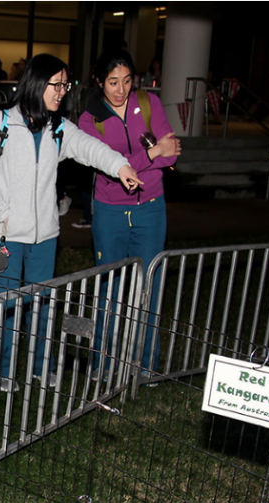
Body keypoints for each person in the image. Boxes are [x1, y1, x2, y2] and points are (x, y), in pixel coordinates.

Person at [0, 54, 142, 393]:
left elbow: (90, 147)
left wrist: (120, 166)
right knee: (5, 308)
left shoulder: (59, 128)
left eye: (66, 85)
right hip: (4, 235)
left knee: (41, 306)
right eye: (57, 84)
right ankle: (2, 372)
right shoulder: (1, 122)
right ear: (38, 83)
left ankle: (41, 366)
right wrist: (0, 213)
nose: (62, 91)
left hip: (44, 237)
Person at [78, 50, 180, 373]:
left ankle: (145, 365)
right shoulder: (89, 120)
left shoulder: (150, 104)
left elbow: (172, 155)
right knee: (108, 288)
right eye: (112, 82)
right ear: (99, 82)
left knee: (148, 285)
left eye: (126, 81)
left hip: (151, 209)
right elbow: (108, 165)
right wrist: (151, 153)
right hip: (110, 211)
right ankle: (103, 365)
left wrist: (147, 156)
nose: (121, 89)